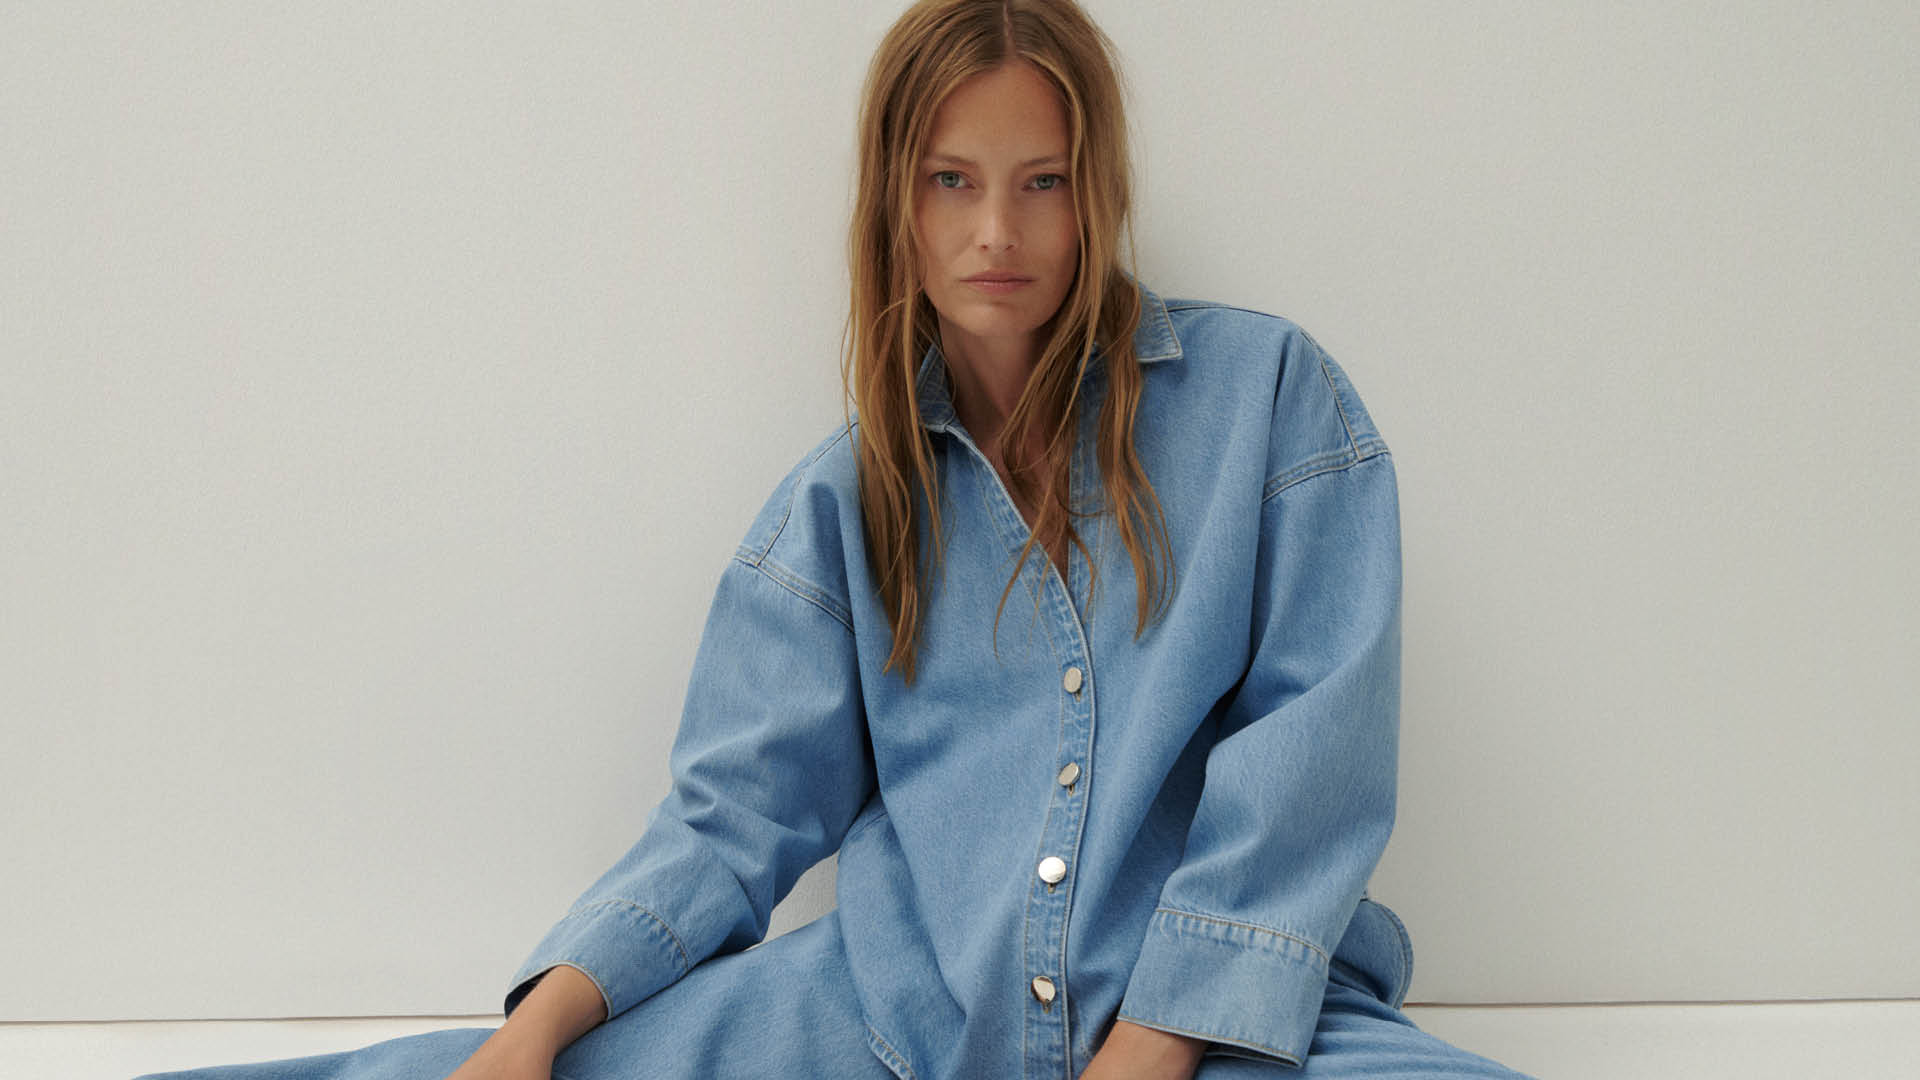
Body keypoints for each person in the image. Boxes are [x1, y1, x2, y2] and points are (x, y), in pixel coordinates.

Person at [140, 2, 1534, 1078]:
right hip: (892, 1022)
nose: (998, 231)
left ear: (1096, 189)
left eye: (1044, 182)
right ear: (895, 203)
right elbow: (732, 817)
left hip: (1233, 1030)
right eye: (952, 182)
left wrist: (1159, 1040)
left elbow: (1311, 761)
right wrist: (535, 1029)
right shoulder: (841, 507)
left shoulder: (1270, 404)